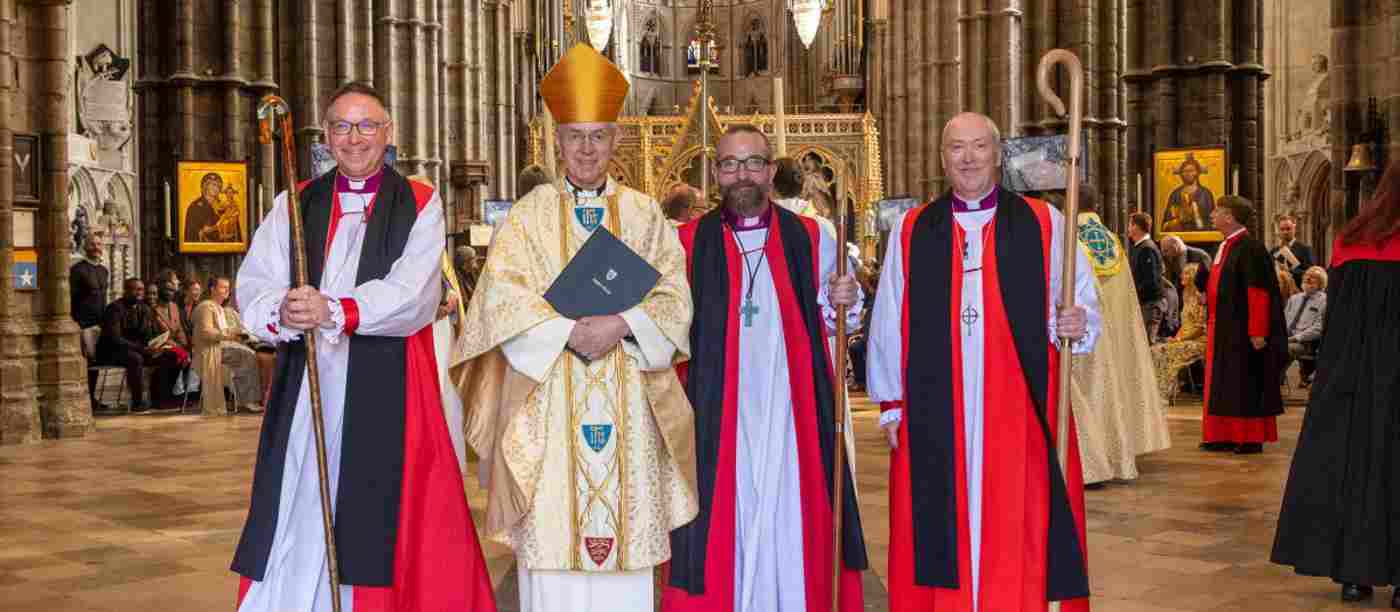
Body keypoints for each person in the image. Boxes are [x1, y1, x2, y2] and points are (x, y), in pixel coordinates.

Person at [231, 81, 495, 611]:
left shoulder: (420, 202)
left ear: (388, 132)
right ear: (326, 135)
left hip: (391, 385)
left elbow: (414, 293)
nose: (354, 139)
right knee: (302, 490)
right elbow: (254, 282)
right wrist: (281, 308)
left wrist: (336, 310)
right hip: (308, 390)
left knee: (390, 509)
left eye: (366, 125)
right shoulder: (295, 201)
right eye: (342, 126)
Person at [452, 44, 695, 612]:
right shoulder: (528, 214)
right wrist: (564, 333)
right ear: (556, 141)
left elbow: (674, 296)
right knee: (553, 543)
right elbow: (499, 300)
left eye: (599, 136)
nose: (587, 149)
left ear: (616, 140)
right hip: (548, 401)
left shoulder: (643, 214)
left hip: (629, 393)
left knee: (626, 558)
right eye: (575, 135)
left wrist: (622, 322)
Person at [867, 112, 1098, 612]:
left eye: (979, 147)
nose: (968, 158)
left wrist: (1078, 323)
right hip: (935, 405)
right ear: (942, 158)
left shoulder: (1043, 222)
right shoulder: (913, 228)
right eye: (956, 148)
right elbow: (889, 315)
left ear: (998, 154)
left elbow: (1080, 298)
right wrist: (891, 402)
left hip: (1018, 400)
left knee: (1018, 513)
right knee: (938, 513)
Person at [664, 125, 868, 612]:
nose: (742, 175)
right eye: (731, 165)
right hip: (718, 415)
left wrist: (846, 297)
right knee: (722, 516)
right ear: (716, 173)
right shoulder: (687, 244)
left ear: (771, 170)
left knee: (791, 515)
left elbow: (841, 316)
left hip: (791, 412)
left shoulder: (815, 236)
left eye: (753, 163)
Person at [1273, 160, 1400, 606]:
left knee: (1353, 466)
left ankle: (1354, 574)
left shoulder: (1350, 239)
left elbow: (1336, 322)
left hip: (1352, 378)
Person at [1069, 187, 1171, 486]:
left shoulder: (1068, 238)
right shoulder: (1111, 240)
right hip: (1114, 333)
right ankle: (1117, 453)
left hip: (1085, 338)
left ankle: (1091, 463)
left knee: (1087, 394)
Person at [1199, 196, 1288, 455]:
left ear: (1230, 217)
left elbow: (1258, 293)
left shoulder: (1251, 248)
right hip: (1222, 325)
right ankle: (1222, 434)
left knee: (1244, 383)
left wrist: (1258, 330)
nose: (1212, 214)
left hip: (1243, 328)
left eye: (1217, 211)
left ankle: (1249, 437)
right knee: (1223, 384)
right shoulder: (1224, 246)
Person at [97, 278, 186, 412]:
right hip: (113, 351)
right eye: (135, 289)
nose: (139, 293)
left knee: (171, 355)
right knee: (135, 358)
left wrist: (158, 344)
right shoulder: (115, 308)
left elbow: (150, 333)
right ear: (125, 291)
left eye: (141, 290)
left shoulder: (143, 308)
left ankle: (160, 398)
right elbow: (115, 338)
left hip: (141, 349)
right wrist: (142, 349)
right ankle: (137, 402)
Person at [191, 276, 263, 415]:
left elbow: (222, 331)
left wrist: (236, 333)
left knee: (249, 353)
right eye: (223, 287)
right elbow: (206, 332)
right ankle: (247, 401)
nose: (227, 291)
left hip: (220, 346)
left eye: (228, 288)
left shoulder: (219, 308)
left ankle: (245, 400)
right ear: (212, 289)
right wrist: (229, 335)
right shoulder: (206, 306)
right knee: (247, 355)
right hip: (209, 350)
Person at [1151, 263, 1208, 401]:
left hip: (1200, 339)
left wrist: (1180, 340)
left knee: (1168, 352)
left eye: (1186, 273)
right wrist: (1176, 337)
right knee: (1155, 350)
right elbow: (1185, 325)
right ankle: (1159, 391)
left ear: (1193, 277)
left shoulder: (1200, 297)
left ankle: (1167, 392)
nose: (1182, 276)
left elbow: (1201, 327)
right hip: (1185, 337)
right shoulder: (1185, 295)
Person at [71, 234, 110, 408]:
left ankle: (92, 399)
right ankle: (84, 400)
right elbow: (71, 297)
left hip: (100, 323)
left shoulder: (103, 270)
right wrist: (76, 322)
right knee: (86, 363)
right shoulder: (78, 270)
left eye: (98, 244)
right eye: (92, 244)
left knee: (96, 361)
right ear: (85, 247)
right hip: (83, 323)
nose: (96, 247)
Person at [1127, 212, 1168, 341]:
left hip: (1150, 304)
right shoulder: (1140, 247)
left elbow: (1150, 281)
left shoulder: (1147, 248)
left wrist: (1133, 295)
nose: (1128, 229)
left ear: (1136, 227)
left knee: (1147, 343)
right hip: (1146, 304)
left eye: (1129, 225)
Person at [1283, 266, 1328, 383]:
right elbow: (1283, 320)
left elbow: (1318, 329)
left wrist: (1294, 338)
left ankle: (1273, 380)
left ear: (1321, 283)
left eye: (1313, 278)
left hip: (1306, 343)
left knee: (1283, 349)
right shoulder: (1294, 298)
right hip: (1286, 338)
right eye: (1306, 276)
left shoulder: (1324, 301)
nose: (1308, 279)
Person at [1162, 155, 1215, 232]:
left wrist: (1196, 213)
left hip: (1202, 234)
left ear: (1197, 172)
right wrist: (1176, 221)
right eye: (1185, 171)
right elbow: (1167, 219)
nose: (1188, 174)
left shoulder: (1206, 194)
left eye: (1191, 170)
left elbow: (1212, 219)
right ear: (1181, 174)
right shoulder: (1175, 194)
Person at [1271, 214, 1313, 286]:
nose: (1285, 232)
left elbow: (1311, 274)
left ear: (1294, 229)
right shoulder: (1274, 251)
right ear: (1279, 231)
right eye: (1282, 229)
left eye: (1288, 229)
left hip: (1298, 291)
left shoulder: (1304, 249)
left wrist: (1289, 270)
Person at [185, 172, 223, 243]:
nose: (216, 188)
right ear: (205, 186)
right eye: (213, 185)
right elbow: (191, 232)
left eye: (218, 185)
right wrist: (202, 231)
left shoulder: (223, 205)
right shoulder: (195, 207)